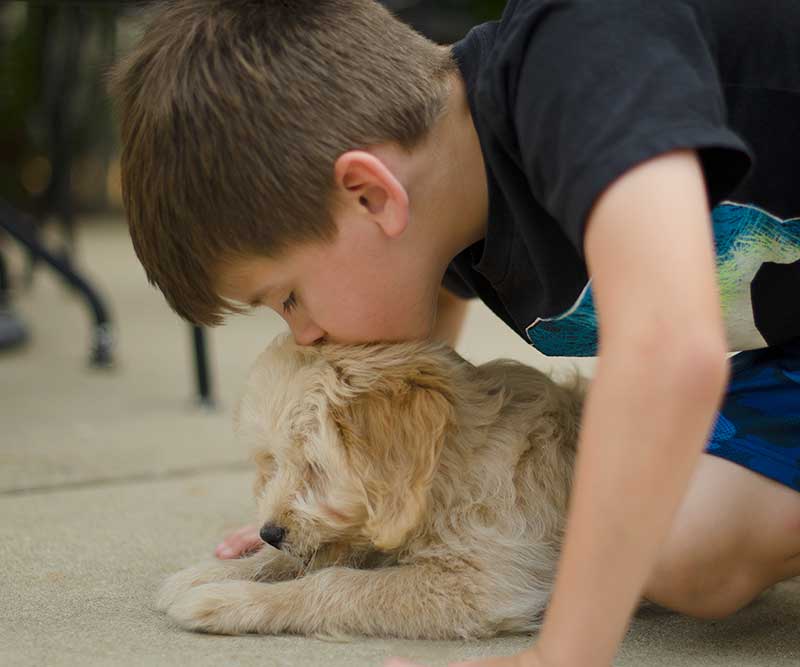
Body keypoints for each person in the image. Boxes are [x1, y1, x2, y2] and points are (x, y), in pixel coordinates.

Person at [108, 1, 800, 665]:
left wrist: (563, 652)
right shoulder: (450, 218)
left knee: (683, 543)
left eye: (290, 297)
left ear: (372, 195)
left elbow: (671, 350)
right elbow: (420, 415)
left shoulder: (586, 49)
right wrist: (320, 511)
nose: (308, 336)